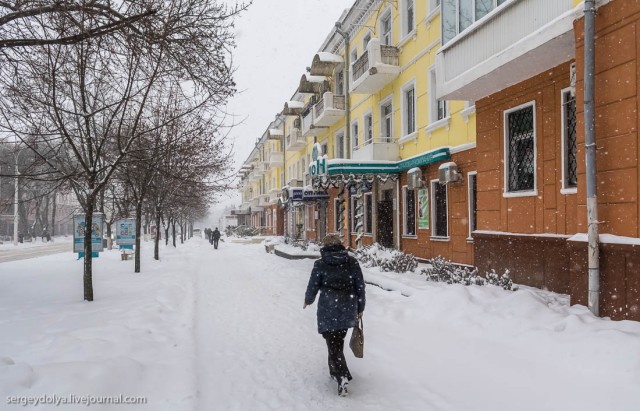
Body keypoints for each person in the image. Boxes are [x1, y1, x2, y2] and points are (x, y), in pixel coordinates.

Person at [304, 234, 366, 397]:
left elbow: (313, 285)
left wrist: (308, 300)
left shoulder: (321, 264)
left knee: (333, 343)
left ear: (325, 246)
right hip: (347, 307)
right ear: (340, 245)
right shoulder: (352, 262)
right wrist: (361, 306)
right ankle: (336, 371)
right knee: (337, 341)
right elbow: (360, 286)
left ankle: (342, 375)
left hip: (328, 308)